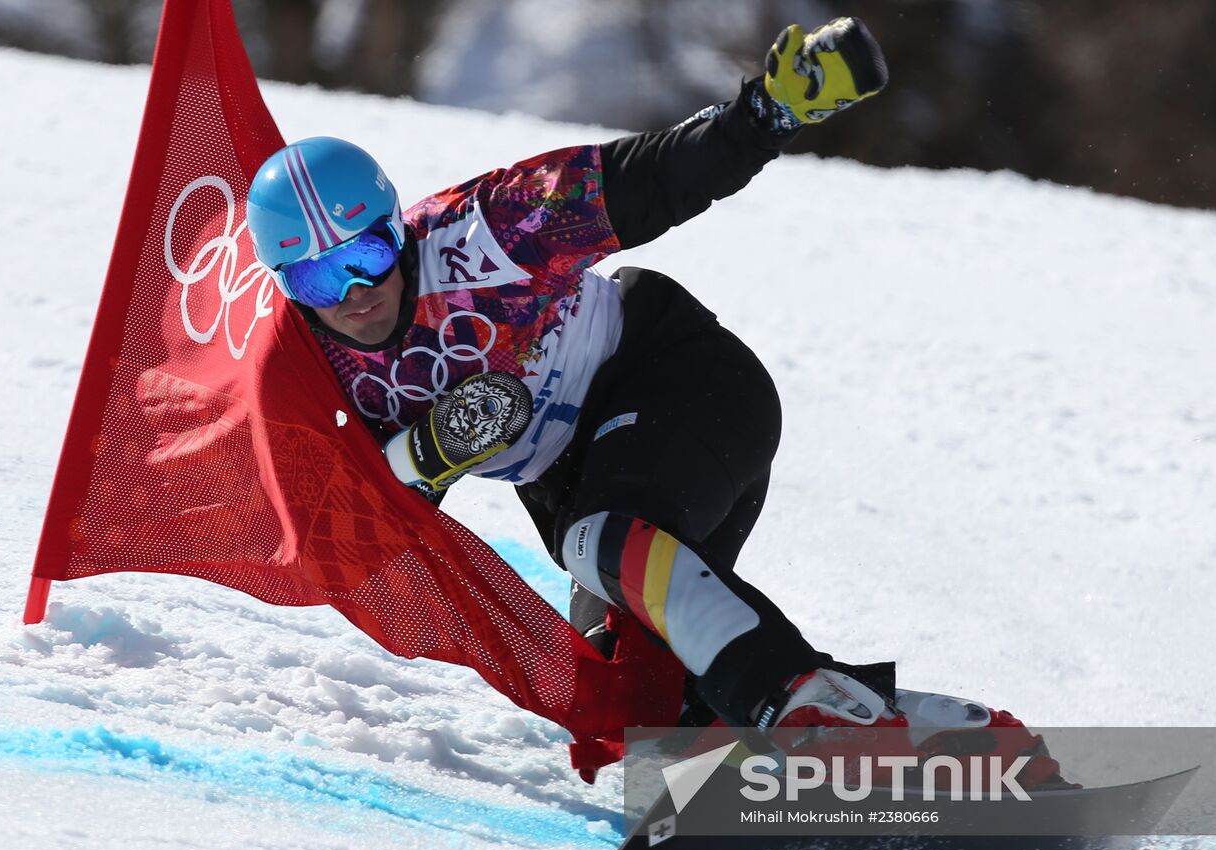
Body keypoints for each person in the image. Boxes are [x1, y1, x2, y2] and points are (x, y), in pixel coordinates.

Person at [245, 18, 1058, 775]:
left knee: (601, 536)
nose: (356, 291)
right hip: (575, 479)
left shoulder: (490, 230)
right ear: (287, 286)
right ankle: (952, 736)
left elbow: (652, 178)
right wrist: (420, 458)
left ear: (399, 225)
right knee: (638, 701)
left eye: (370, 252)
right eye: (320, 276)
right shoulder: (309, 362)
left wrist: (767, 112)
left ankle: (807, 713)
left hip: (676, 374)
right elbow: (339, 536)